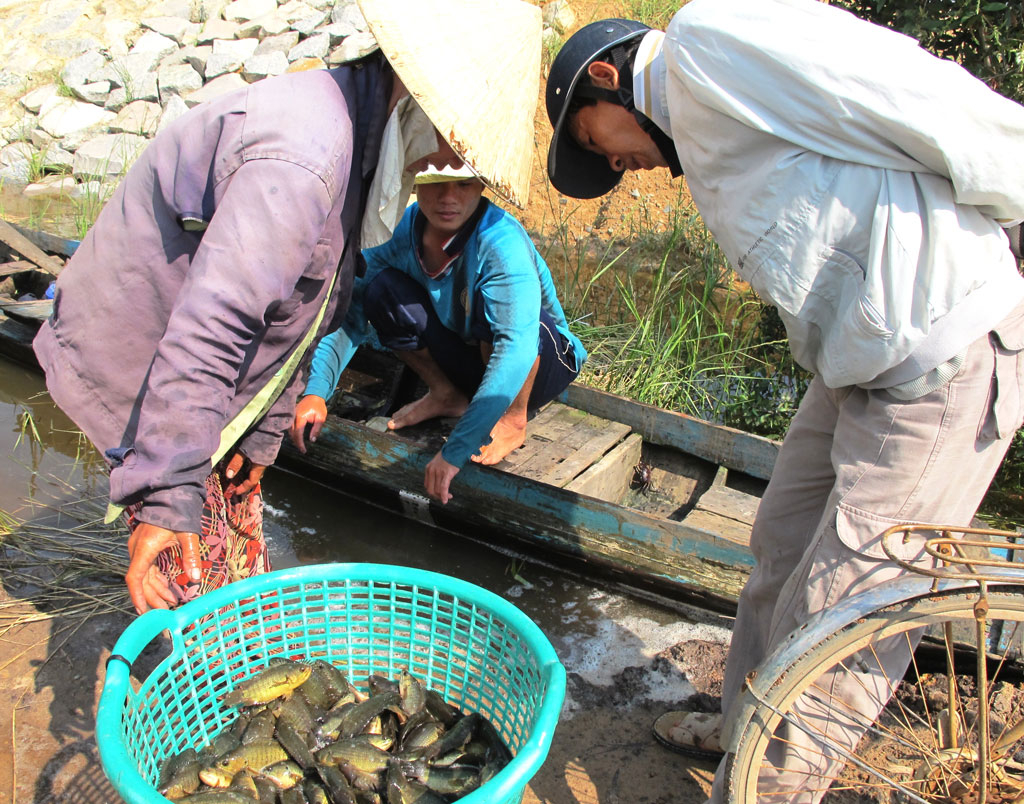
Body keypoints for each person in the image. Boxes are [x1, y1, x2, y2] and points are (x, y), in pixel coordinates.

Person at [545, 1, 1024, 801]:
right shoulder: (700, 132)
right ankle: (745, 723)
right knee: (779, 545)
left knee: (842, 614)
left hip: (943, 353)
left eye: (597, 141)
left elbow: (914, 92)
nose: (618, 166)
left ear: (608, 78)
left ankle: (763, 788)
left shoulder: (708, 44)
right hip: (857, 365)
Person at [33, 0, 544, 615]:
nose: (442, 161)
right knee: (185, 569)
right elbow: (214, 323)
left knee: (230, 551)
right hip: (153, 354)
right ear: (423, 98)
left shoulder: (360, 147)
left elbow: (306, 304)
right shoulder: (309, 154)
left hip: (205, 375)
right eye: (454, 133)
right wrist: (169, 490)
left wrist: (264, 428)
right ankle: (194, 672)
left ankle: (221, 652)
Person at [290, 164, 586, 505]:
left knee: (496, 313)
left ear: (481, 185)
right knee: (379, 288)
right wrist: (315, 393)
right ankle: (446, 393)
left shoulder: (500, 241)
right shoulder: (402, 231)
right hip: (469, 355)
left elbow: (516, 346)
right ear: (415, 182)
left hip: (536, 364)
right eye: (435, 184)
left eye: (462, 184)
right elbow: (350, 313)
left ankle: (512, 419)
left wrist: (456, 449)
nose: (448, 198)